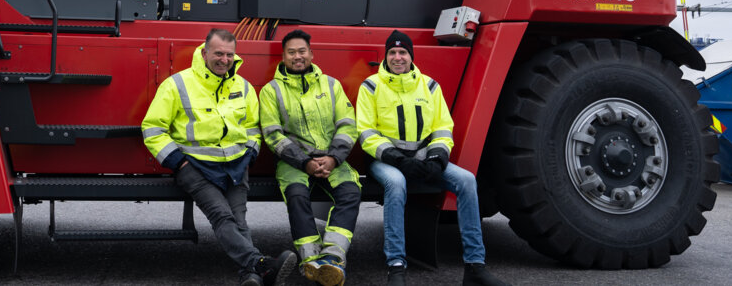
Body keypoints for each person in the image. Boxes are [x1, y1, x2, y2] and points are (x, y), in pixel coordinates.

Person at [142, 28, 297, 286]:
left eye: (229, 55)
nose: (224, 60)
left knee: (239, 220)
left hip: (236, 166)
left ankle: (253, 274)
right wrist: (179, 163)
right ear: (204, 53)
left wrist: (250, 154)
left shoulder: (243, 87)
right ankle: (262, 264)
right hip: (195, 167)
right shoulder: (177, 84)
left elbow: (252, 128)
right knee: (222, 217)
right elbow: (152, 129)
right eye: (218, 54)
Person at [356, 30, 509, 286]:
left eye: (402, 52)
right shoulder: (371, 86)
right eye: (392, 52)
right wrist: (398, 160)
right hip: (385, 162)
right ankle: (396, 267)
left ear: (411, 56)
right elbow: (366, 132)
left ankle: (475, 267)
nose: (397, 57)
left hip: (424, 159)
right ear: (386, 56)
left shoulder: (429, 86)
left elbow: (442, 128)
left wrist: (437, 159)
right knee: (396, 183)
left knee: (467, 180)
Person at [260, 29, 360, 286]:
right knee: (296, 196)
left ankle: (332, 258)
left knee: (350, 192)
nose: (297, 56)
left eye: (302, 51)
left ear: (311, 54)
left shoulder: (331, 85)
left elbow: (348, 125)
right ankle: (311, 261)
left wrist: (334, 158)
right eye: (291, 52)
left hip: (331, 159)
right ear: (283, 57)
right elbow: (272, 135)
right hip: (294, 163)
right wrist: (304, 162)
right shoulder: (271, 91)